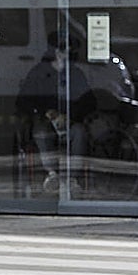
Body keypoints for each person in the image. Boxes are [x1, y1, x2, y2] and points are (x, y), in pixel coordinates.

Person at [15, 33, 96, 194]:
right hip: (45, 121)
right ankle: (52, 174)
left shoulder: (76, 74)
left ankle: (72, 178)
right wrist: (46, 112)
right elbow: (23, 100)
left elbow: (89, 101)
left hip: (70, 122)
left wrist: (70, 116)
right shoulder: (38, 72)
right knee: (41, 132)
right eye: (61, 49)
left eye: (67, 50)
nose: (64, 54)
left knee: (79, 132)